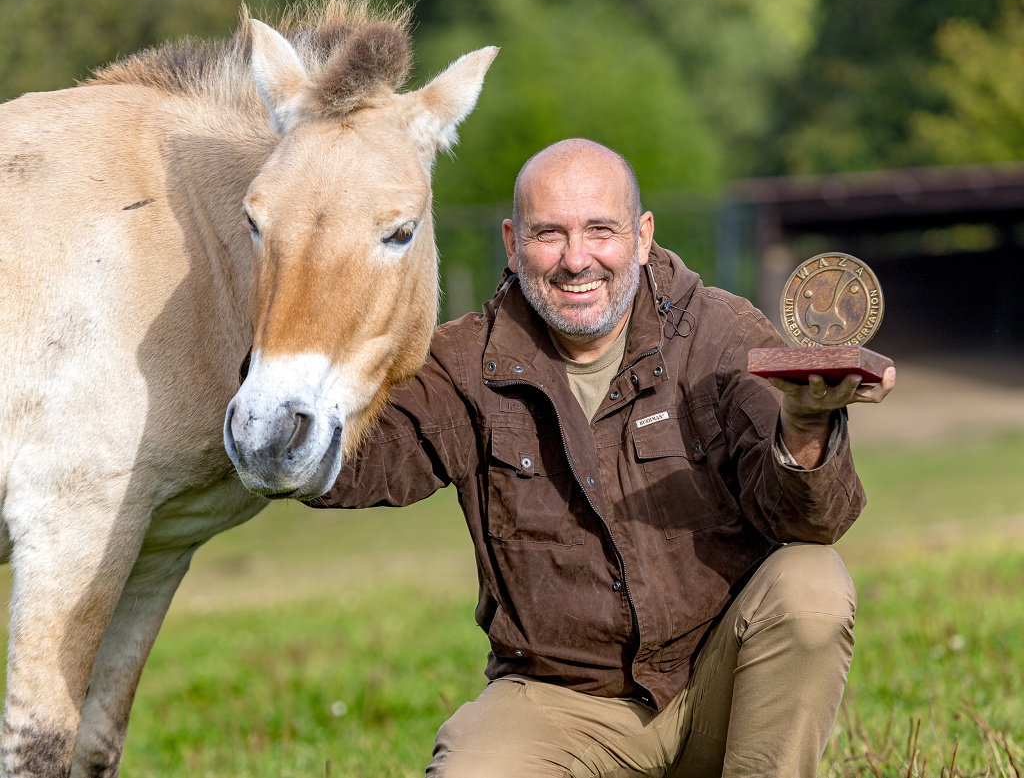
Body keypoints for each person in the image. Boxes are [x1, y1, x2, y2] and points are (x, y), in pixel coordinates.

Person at [308, 138, 896, 777]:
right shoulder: (463, 362)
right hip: (560, 704)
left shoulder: (722, 333)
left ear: (642, 236)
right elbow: (356, 462)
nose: (575, 259)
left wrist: (806, 425)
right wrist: (287, 361)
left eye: (600, 230)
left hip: (713, 688)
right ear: (512, 242)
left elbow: (809, 523)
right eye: (548, 234)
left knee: (811, 583)